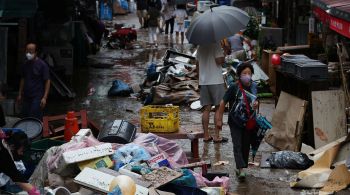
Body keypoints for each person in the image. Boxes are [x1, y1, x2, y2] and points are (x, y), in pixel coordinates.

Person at [216, 62, 259, 180]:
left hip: (248, 121)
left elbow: (256, 101)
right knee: (237, 144)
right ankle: (241, 169)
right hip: (235, 121)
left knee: (246, 145)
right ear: (239, 75)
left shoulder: (254, 87)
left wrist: (256, 105)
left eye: (249, 73)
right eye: (244, 73)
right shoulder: (234, 87)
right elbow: (222, 102)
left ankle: (240, 166)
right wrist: (219, 120)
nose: (247, 75)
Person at [196, 43, 228, 143]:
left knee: (206, 109)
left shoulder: (200, 46)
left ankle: (206, 136)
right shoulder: (215, 44)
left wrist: (199, 79)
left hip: (204, 81)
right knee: (218, 108)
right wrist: (225, 52)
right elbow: (219, 61)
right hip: (216, 81)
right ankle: (217, 136)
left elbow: (197, 64)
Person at [17, 42, 50, 120]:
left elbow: (47, 81)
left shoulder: (42, 65)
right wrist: (19, 94)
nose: (28, 54)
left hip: (37, 96)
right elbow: (23, 79)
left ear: (36, 52)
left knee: (34, 115)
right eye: (27, 51)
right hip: (26, 95)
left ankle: (37, 131)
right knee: (24, 116)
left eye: (31, 52)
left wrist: (44, 97)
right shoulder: (25, 64)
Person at [0, 130, 40, 195]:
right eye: (21, 151)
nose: (21, 154)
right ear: (13, 147)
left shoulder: (4, 144)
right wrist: (34, 192)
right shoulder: (4, 154)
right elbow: (16, 177)